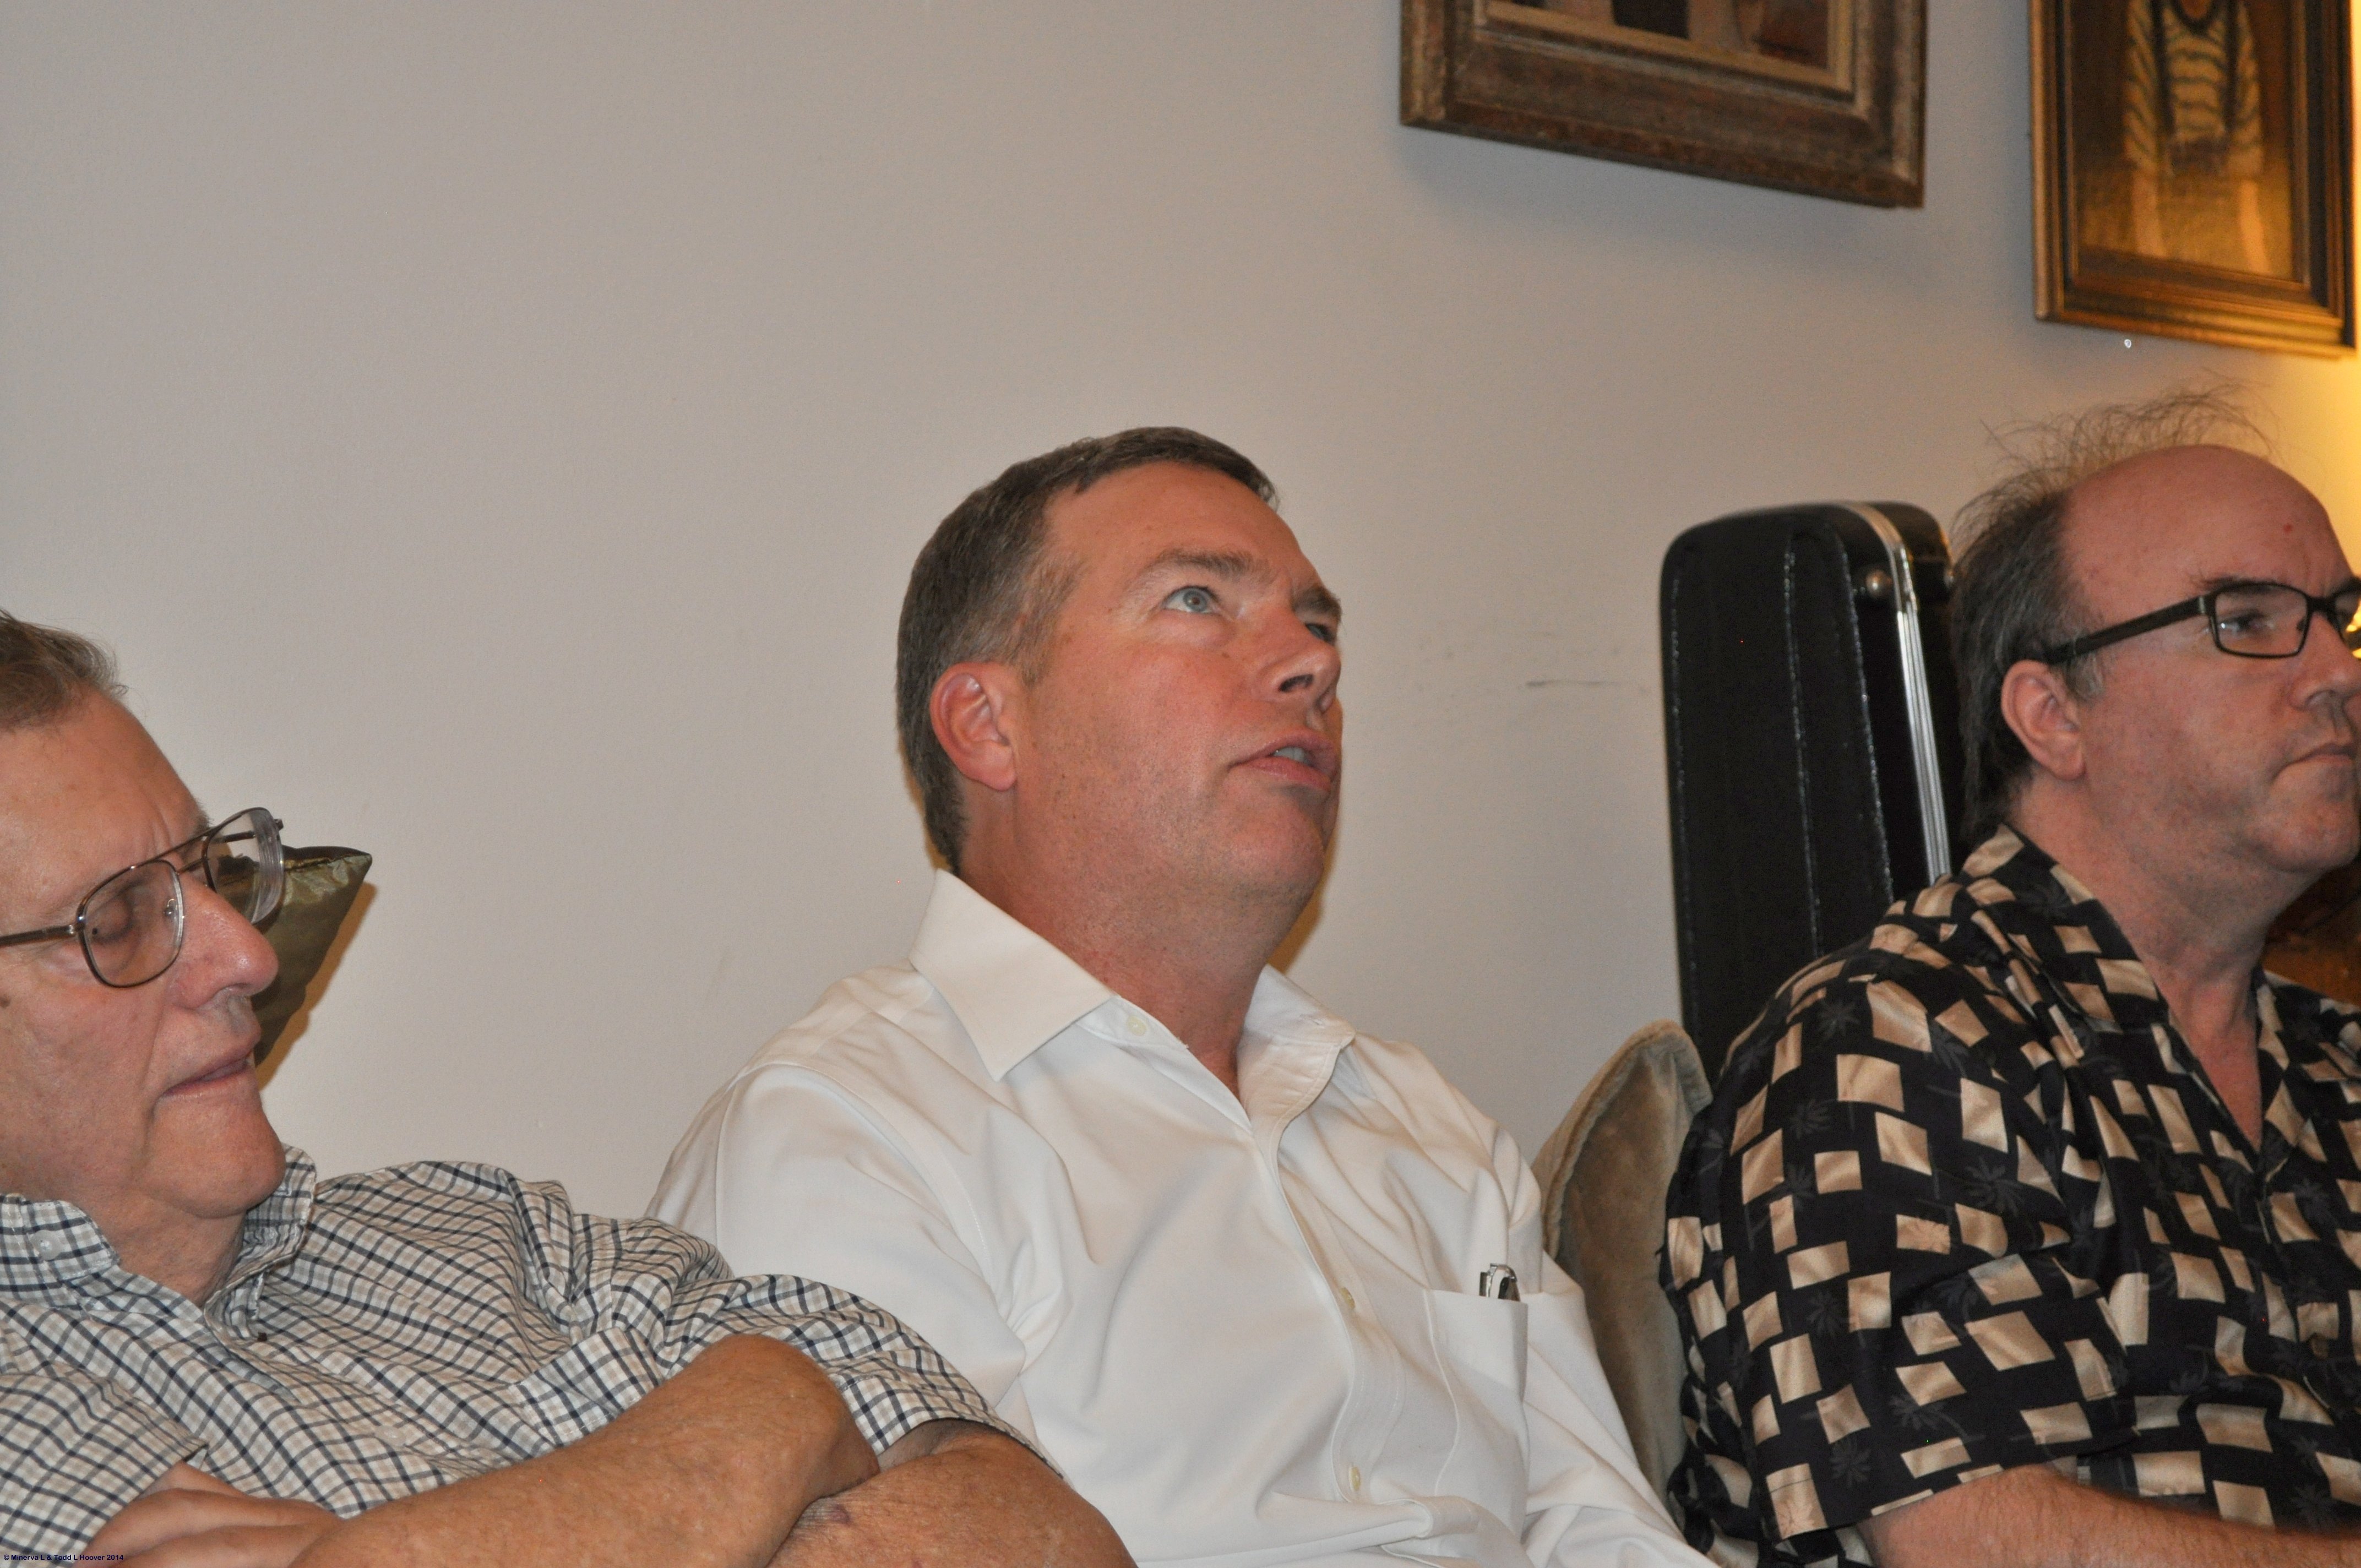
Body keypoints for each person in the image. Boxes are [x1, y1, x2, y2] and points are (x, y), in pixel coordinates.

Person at [650, 428, 1705, 1567]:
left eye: (1317, 625)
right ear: (989, 726)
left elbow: (1611, 1538)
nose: (1311, 664)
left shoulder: (1428, 1128)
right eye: (1196, 599)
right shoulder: (842, 1134)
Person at [0, 613, 1128, 1567]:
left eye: (212, 873)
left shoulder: (485, 1228)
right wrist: (770, 1426)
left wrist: (745, 1413)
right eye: (120, 921)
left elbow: (1053, 1535)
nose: (247, 955)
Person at [1661, 389, 2361, 1567]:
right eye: (2244, 620)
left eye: (2341, 618)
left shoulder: (2335, 1064)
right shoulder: (1886, 1045)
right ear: (2052, 715)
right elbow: (1968, 1545)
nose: (2337, 670)